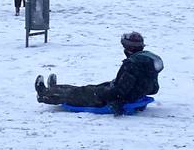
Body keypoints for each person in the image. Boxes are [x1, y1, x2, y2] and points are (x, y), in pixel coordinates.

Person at [34, 31, 163, 113]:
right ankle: (55, 88)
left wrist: (110, 95)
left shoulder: (132, 64)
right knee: (89, 88)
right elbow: (154, 89)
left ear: (128, 49)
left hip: (115, 97)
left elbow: (120, 92)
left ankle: (44, 95)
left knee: (82, 93)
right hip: (134, 94)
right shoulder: (148, 60)